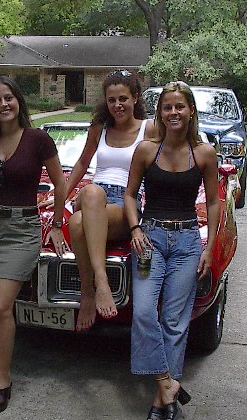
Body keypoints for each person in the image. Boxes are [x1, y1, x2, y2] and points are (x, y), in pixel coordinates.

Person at [0, 76, 67, 413]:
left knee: (0, 306)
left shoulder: (38, 139)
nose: (4, 104)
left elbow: (60, 183)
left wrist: (56, 224)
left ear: (18, 101)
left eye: (8, 98)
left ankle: (3, 379)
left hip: (23, 230)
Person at [124, 80, 220, 420]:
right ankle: (168, 383)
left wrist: (209, 248)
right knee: (144, 312)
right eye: (167, 107)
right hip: (150, 240)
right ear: (160, 113)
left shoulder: (204, 153)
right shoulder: (147, 150)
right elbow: (130, 195)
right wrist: (135, 229)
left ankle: (160, 399)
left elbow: (213, 202)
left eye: (180, 106)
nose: (174, 112)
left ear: (191, 111)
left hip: (187, 242)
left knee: (175, 321)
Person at [62, 70, 155, 330]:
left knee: (77, 222)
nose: (117, 105)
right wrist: (61, 198)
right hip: (94, 195)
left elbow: (167, 159)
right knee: (92, 192)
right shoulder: (100, 128)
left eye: (123, 98)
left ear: (135, 97)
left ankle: (87, 293)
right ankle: (101, 282)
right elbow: (82, 163)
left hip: (126, 201)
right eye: (111, 100)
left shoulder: (149, 129)